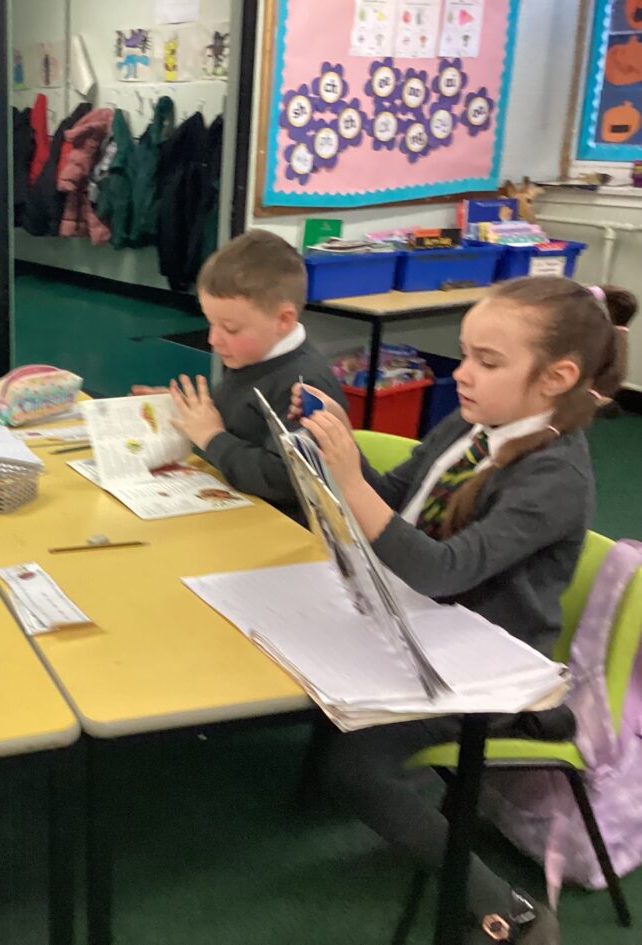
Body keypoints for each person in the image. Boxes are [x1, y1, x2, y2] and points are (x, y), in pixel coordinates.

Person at [299, 276, 630, 945]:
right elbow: (396, 496)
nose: (463, 373)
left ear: (557, 377)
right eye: (465, 352)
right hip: (426, 623)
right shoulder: (472, 424)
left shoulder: (555, 477)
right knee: (298, 644)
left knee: (354, 769)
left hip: (489, 664)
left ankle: (510, 911)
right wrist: (329, 452)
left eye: (488, 360)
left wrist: (350, 482)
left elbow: (441, 568)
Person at [133, 229, 346, 516]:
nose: (213, 339)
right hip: (235, 502)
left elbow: (285, 480)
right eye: (211, 323)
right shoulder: (250, 356)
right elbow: (238, 424)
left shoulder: (305, 386)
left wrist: (211, 437)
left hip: (284, 525)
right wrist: (185, 411)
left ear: (283, 320)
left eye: (230, 329)